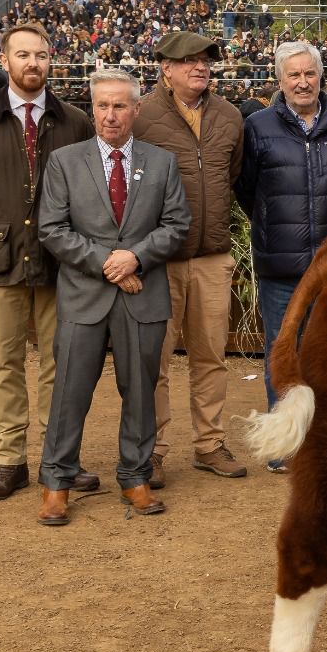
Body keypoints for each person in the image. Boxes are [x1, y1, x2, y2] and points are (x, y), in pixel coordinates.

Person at [0, 22, 96, 502]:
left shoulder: (75, 121)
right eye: (23, 55)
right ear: (5, 61)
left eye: (42, 55)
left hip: (60, 262)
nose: (33, 63)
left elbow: (89, 191)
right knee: (3, 363)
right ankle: (11, 461)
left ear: (52, 61)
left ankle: (59, 457)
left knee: (61, 363)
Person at [35, 70, 192, 526]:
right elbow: (52, 230)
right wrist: (111, 263)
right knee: (69, 392)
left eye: (120, 106)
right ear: (92, 109)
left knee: (141, 392)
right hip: (83, 296)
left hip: (143, 297)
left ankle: (135, 477)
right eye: (102, 106)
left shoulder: (161, 163)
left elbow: (176, 226)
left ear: (136, 109)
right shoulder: (65, 162)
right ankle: (56, 483)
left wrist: (135, 258)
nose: (110, 115)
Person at [133, 29, 247, 485]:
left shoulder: (229, 115)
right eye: (188, 61)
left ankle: (209, 444)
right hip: (159, 259)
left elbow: (231, 176)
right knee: (154, 361)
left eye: (206, 60)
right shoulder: (142, 115)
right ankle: (154, 449)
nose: (200, 67)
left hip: (213, 255)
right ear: (165, 68)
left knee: (210, 356)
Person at [236, 41, 327, 423]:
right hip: (280, 266)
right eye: (294, 75)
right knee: (282, 352)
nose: (303, 82)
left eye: (310, 73)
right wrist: (274, 225)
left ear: (321, 77)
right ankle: (284, 442)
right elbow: (246, 189)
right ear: (280, 80)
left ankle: (322, 441)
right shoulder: (257, 127)